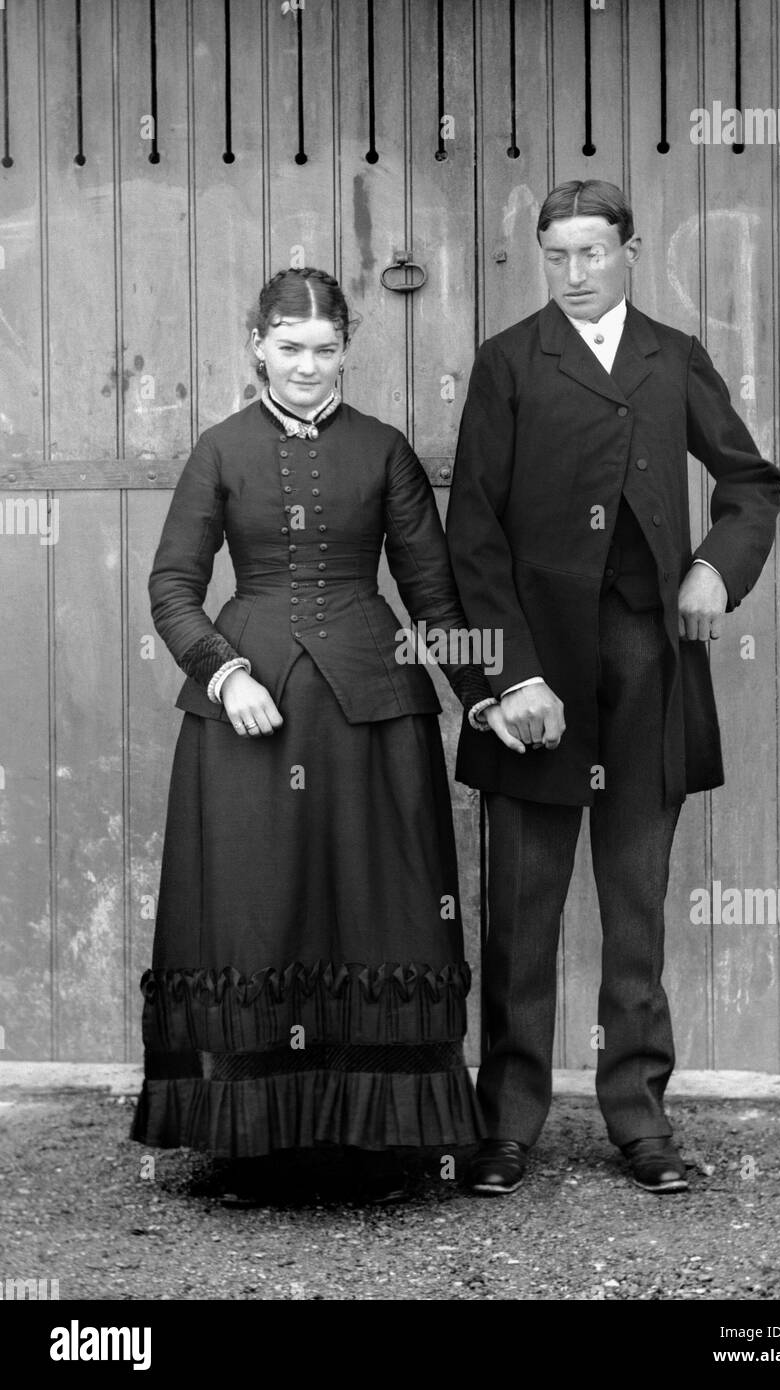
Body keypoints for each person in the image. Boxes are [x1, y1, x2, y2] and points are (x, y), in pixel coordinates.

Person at [131, 266, 518, 1202]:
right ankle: (256, 1136)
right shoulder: (220, 449)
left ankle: (374, 1132)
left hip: (373, 713)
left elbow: (430, 592)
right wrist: (223, 671)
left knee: (372, 903)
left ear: (349, 348)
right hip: (248, 713)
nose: (309, 366)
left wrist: (485, 693)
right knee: (261, 906)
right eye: (291, 348)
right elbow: (172, 587)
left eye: (327, 348)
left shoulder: (383, 450)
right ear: (258, 345)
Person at [446, 180, 780, 1196]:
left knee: (636, 910)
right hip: (538, 688)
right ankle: (505, 1123)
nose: (575, 274)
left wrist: (715, 567)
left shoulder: (671, 358)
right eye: (557, 256)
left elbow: (749, 482)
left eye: (593, 253)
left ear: (629, 250)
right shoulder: (509, 363)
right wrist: (510, 678)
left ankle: (638, 1118)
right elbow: (474, 532)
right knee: (524, 916)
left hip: (647, 674)